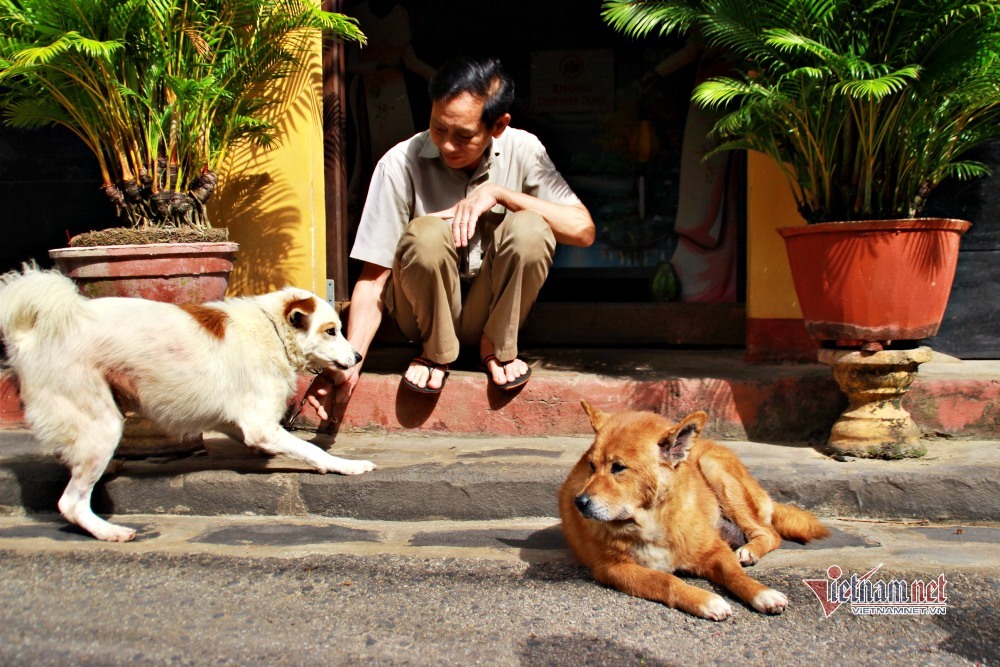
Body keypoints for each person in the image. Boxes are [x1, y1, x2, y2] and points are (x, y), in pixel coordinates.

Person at [307, 56, 595, 417]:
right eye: (438, 129)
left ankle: (497, 345)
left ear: (499, 125)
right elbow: (374, 277)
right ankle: (436, 353)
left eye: (463, 136)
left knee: (532, 227)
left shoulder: (525, 149)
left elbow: (582, 231)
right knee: (425, 232)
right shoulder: (399, 162)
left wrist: (501, 194)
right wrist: (349, 361)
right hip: (421, 318)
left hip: (492, 311)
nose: (446, 145)